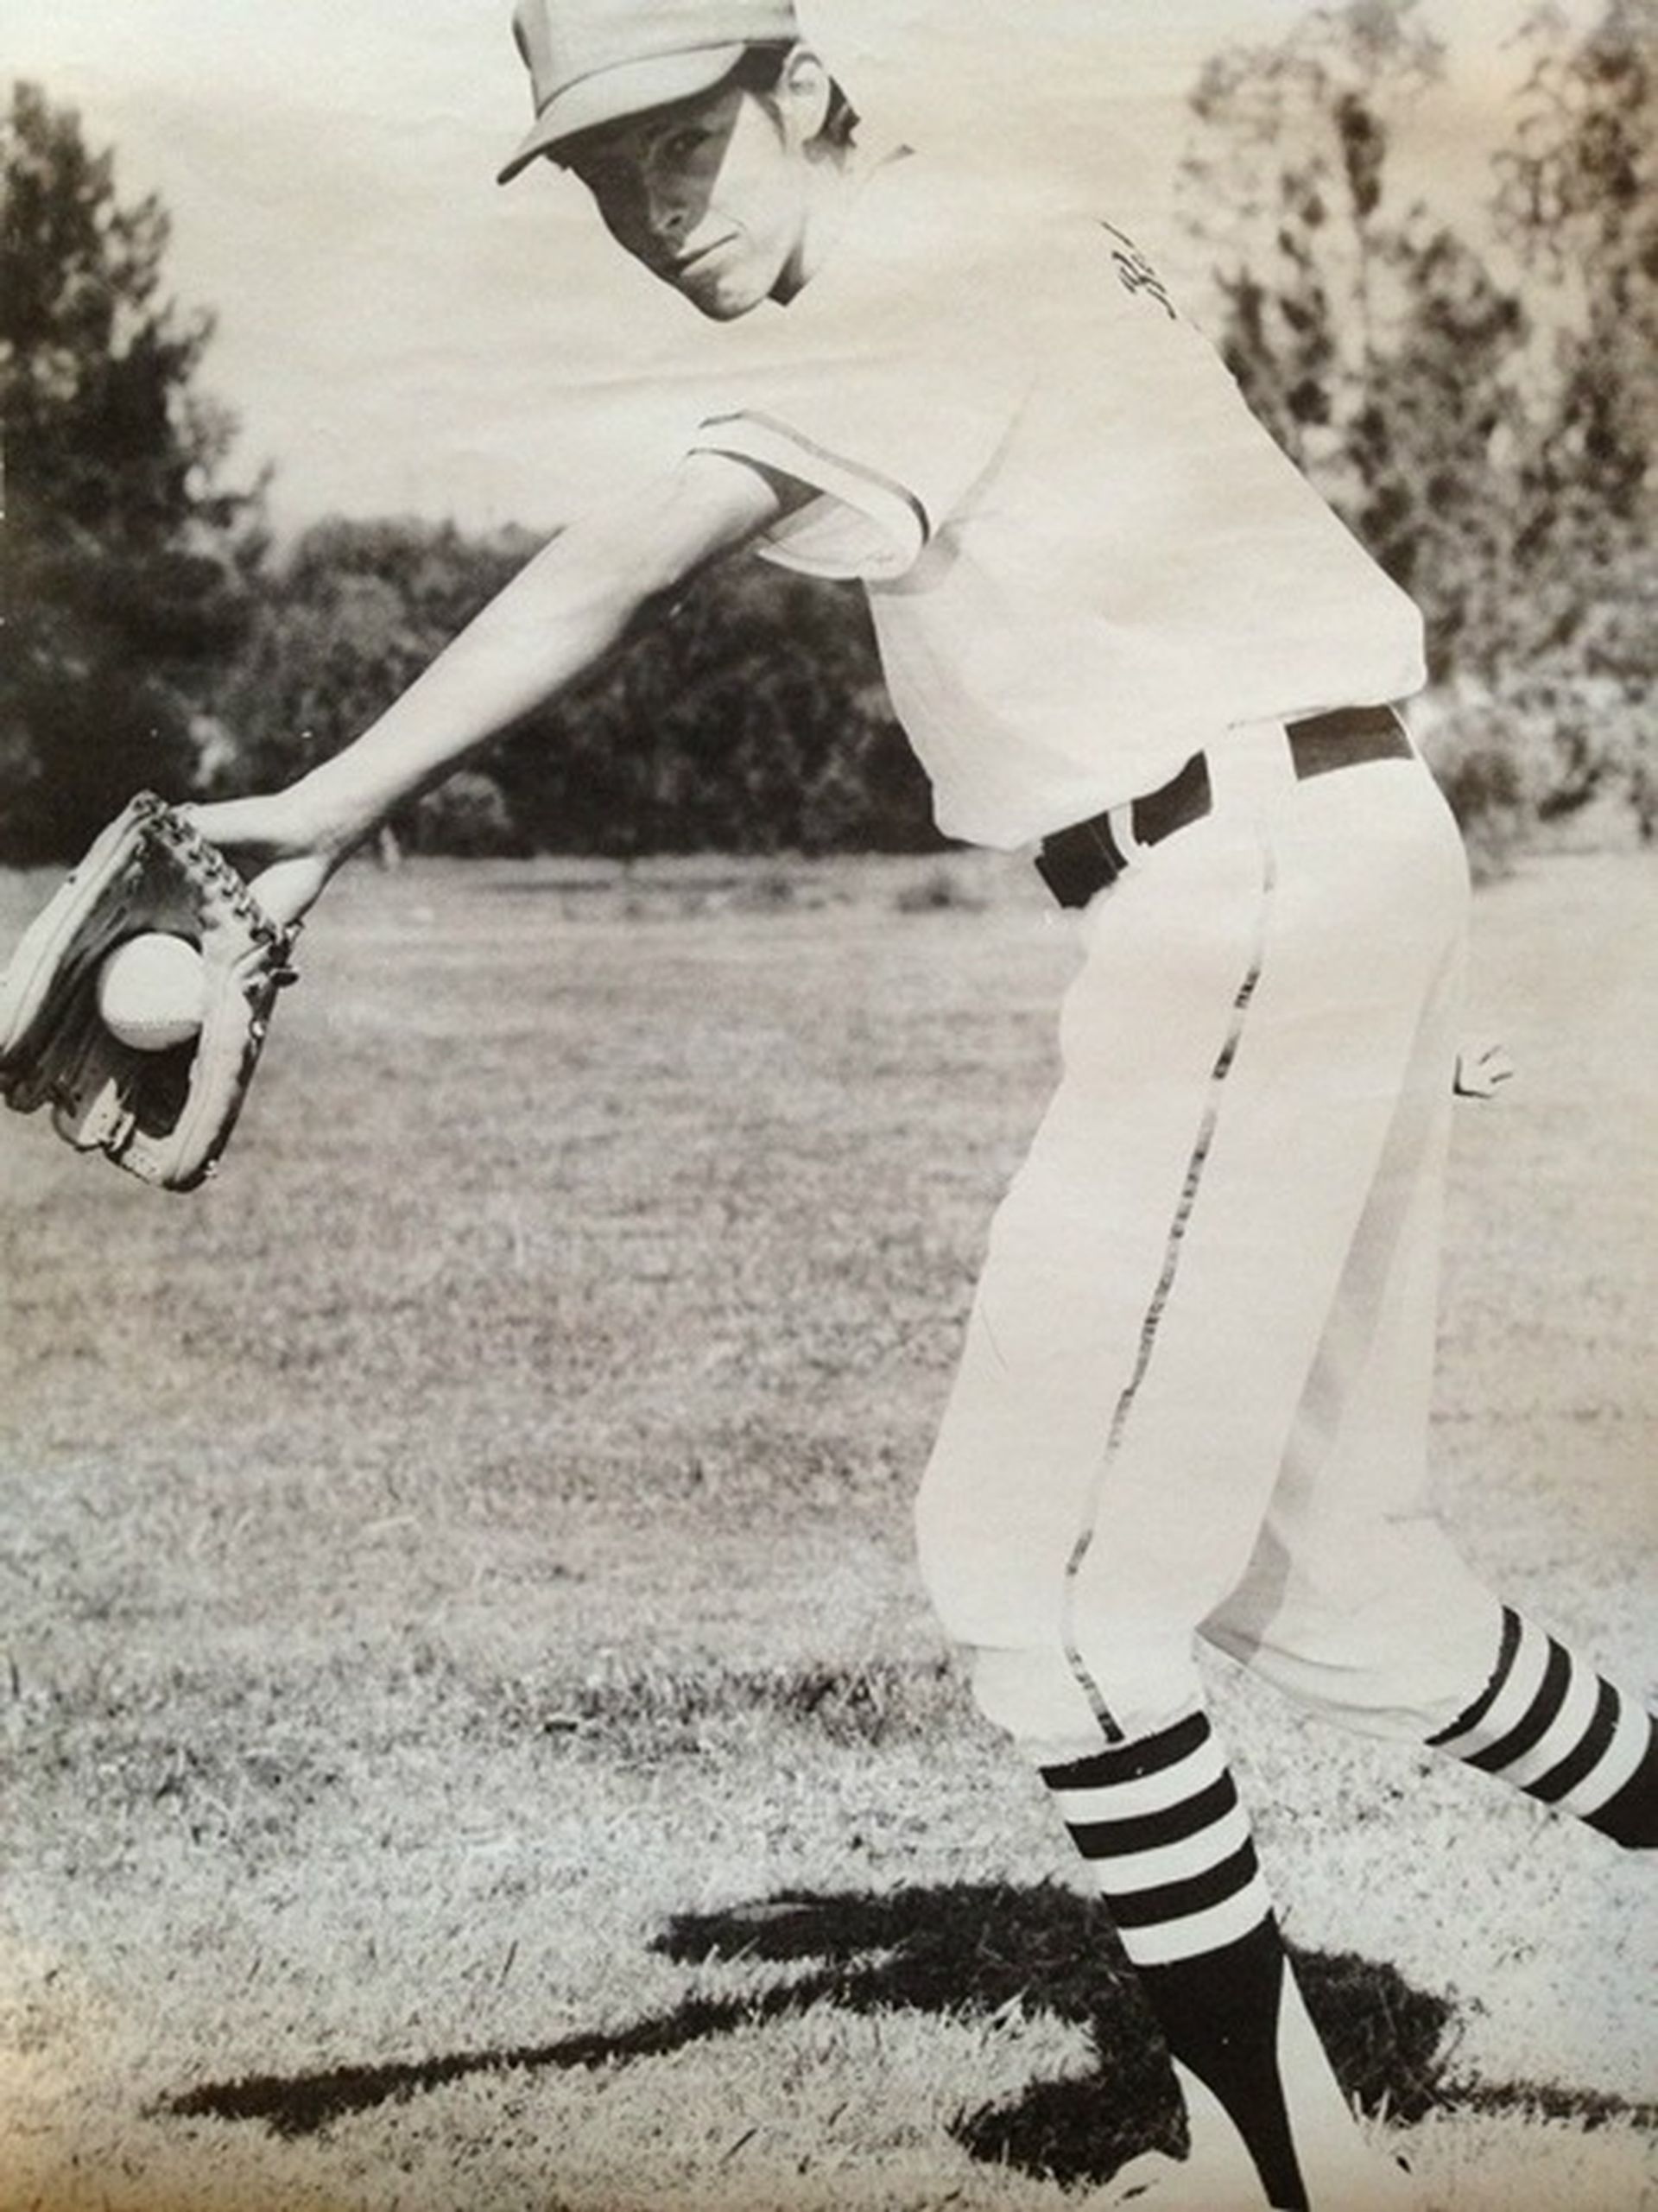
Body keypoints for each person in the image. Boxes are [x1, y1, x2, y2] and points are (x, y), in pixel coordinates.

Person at [191, 4, 1655, 2204]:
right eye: (597, 170)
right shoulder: (1010, 232)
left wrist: (312, 810)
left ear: (796, 85)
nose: (644, 204)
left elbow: (618, 559)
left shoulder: (914, 274)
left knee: (1038, 1579)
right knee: (1338, 1578)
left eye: (679, 138)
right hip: (1330, 856)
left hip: (1240, 884)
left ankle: (1292, 2179)